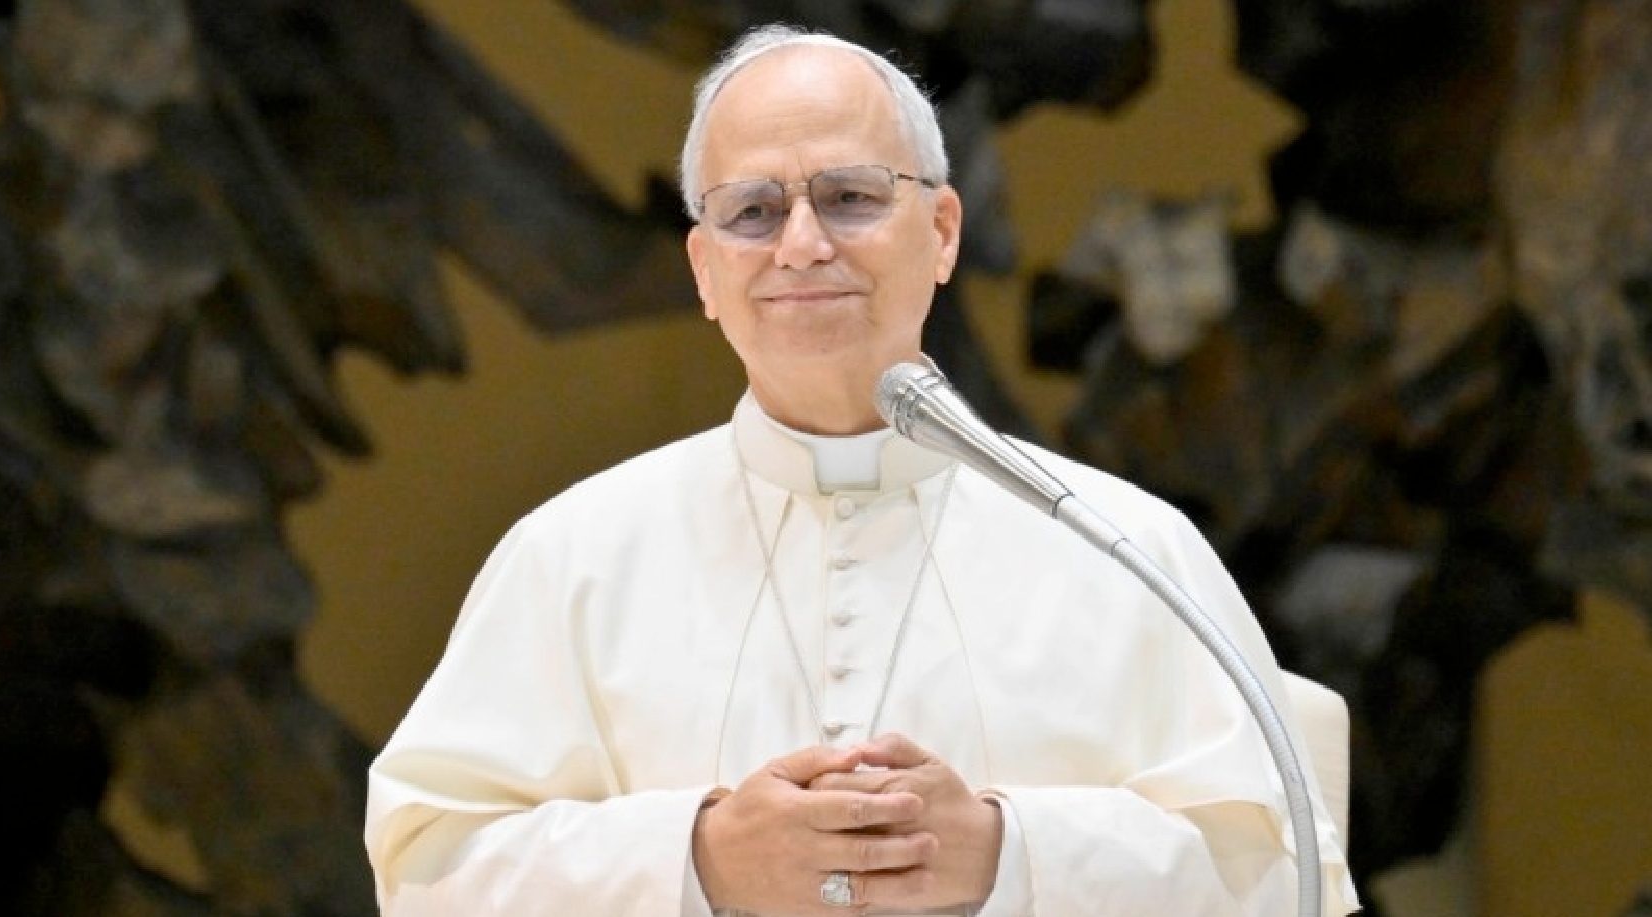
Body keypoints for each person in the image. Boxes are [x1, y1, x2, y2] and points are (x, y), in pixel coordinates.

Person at [364, 24, 1359, 917]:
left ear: (941, 232)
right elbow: (426, 872)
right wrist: (699, 858)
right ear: (704, 270)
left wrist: (1006, 854)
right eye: (752, 211)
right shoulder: (571, 555)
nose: (801, 245)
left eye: (849, 197)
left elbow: (1287, 881)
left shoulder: (1125, 545)